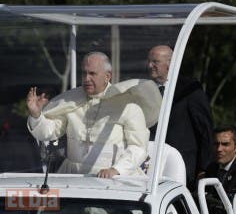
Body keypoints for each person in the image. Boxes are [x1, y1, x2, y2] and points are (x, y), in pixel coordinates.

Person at [27, 51, 161, 178]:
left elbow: (138, 147)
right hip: (73, 175)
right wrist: (36, 115)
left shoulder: (128, 104)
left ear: (107, 76)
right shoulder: (71, 100)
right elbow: (51, 132)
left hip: (114, 178)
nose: (86, 78)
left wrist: (116, 170)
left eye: (92, 73)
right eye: (84, 73)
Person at [147, 45, 213, 191]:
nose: (149, 65)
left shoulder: (189, 89)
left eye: (155, 62)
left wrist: (204, 168)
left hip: (182, 167)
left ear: (170, 64)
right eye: (149, 61)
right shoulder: (144, 88)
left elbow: (205, 130)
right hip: (149, 166)